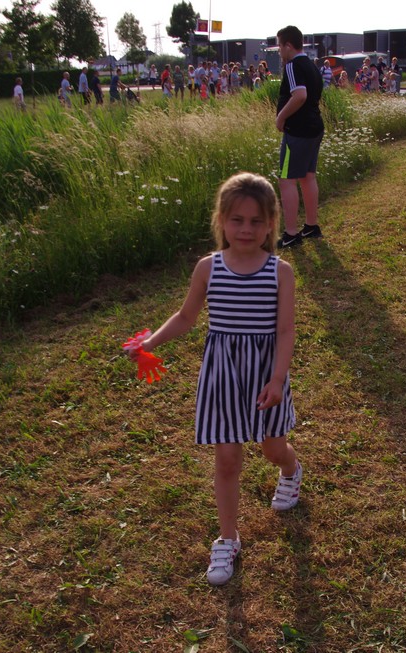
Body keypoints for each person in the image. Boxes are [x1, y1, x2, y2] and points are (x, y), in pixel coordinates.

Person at [132, 172, 302, 586]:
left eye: (256, 221)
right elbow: (186, 317)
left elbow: (285, 331)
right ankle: (228, 538)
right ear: (221, 220)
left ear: (271, 223)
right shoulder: (208, 268)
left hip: (265, 375)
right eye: (237, 220)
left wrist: (277, 379)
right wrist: (149, 342)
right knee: (227, 460)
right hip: (222, 375)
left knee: (272, 448)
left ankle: (291, 470)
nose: (246, 229)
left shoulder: (280, 272)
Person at [274, 25, 326, 249]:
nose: (279, 51)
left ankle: (291, 233)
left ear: (288, 45)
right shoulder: (312, 66)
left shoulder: (293, 65)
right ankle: (311, 226)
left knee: (286, 180)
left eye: (279, 46)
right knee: (308, 177)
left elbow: (300, 95)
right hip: (314, 127)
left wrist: (280, 118)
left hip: (298, 131)